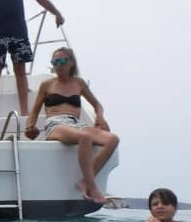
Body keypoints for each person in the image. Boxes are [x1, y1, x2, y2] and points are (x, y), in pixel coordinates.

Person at [24, 47, 120, 204]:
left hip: (76, 124)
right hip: (55, 124)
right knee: (85, 136)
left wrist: (100, 118)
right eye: (55, 62)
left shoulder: (79, 83)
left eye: (62, 61)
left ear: (71, 63)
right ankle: (93, 188)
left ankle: (85, 181)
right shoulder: (46, 85)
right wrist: (30, 127)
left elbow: (97, 105)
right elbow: (34, 111)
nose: (58, 65)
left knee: (113, 139)